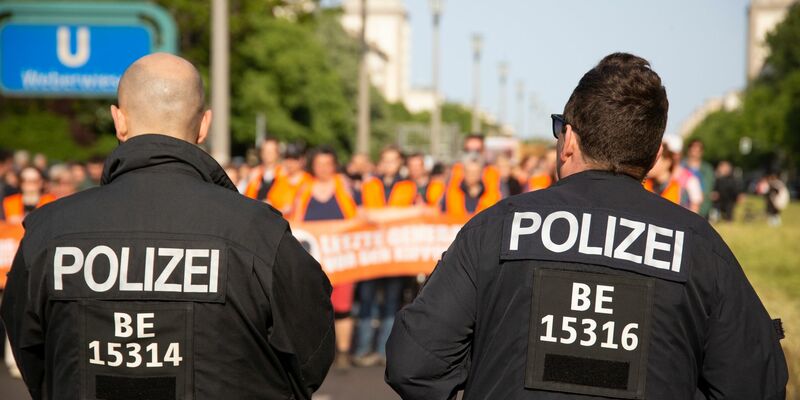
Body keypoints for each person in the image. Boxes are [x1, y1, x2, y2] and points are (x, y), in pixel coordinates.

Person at [385, 53, 787, 400]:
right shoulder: (698, 247)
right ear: (653, 154)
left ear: (569, 140)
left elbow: (414, 363)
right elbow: (759, 381)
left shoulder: (497, 228)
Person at [1, 53, 334, 400]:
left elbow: (30, 349)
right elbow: (311, 345)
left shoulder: (48, 231)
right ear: (204, 124)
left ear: (119, 121)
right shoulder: (258, 230)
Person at [293, 146, 358, 370]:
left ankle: (343, 353)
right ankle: (313, 354)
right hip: (312, 261)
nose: (324, 169)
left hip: (342, 260)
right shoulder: (304, 188)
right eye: (319, 164)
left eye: (328, 164)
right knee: (310, 307)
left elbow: (359, 217)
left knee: (342, 308)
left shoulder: (344, 186)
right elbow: (294, 218)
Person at [353, 146, 416, 367]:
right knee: (367, 302)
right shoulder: (369, 185)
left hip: (396, 253)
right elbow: (360, 212)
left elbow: (414, 214)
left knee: (391, 303)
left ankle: (383, 351)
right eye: (386, 160)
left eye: (393, 160)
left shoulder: (410, 187)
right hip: (370, 252)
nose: (389, 164)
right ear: (380, 162)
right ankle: (362, 350)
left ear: (400, 163)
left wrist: (379, 216)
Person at [268, 141, 312, 216]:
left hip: (297, 224)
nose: (290, 162)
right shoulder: (280, 178)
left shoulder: (308, 180)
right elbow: (271, 199)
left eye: (294, 158)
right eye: (287, 158)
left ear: (302, 160)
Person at [683, 139, 715, 219]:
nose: (695, 152)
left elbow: (708, 189)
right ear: (689, 150)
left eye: (698, 150)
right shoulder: (681, 167)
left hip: (702, 210)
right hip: (682, 207)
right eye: (693, 149)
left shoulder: (707, 169)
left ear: (702, 152)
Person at [245, 137, 282, 201]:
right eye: (265, 151)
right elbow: (247, 198)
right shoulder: (254, 174)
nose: (267, 154)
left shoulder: (284, 174)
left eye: (271, 151)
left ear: (277, 153)